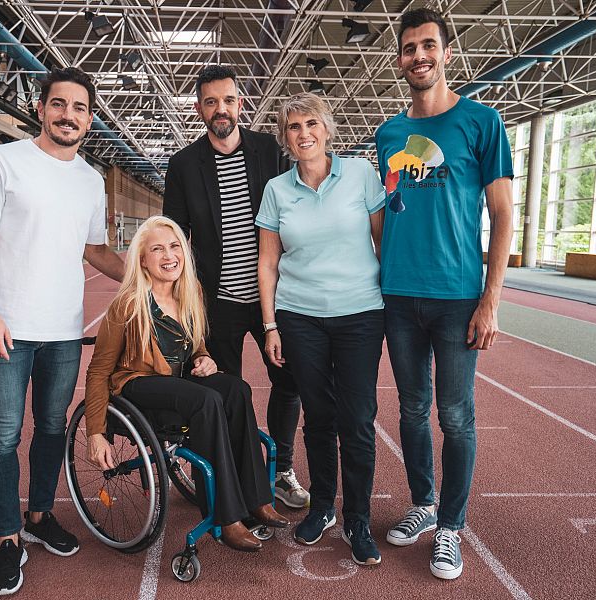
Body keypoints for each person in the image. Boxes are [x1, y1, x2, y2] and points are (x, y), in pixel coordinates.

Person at [0, 66, 125, 596]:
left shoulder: (92, 180)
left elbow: (94, 250)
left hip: (63, 331)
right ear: (41, 108)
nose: (68, 115)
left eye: (78, 108)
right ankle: (7, 539)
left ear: (90, 119)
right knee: (3, 436)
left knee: (52, 428)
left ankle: (38, 515)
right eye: (59, 104)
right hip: (7, 329)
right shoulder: (1, 161)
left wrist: (149, 269)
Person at [375, 8, 514, 581]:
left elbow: (504, 215)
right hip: (400, 297)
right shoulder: (387, 135)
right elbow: (385, 209)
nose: (419, 57)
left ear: (447, 52)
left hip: (458, 296)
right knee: (410, 408)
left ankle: (451, 525)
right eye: (409, 49)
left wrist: (491, 300)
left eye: (428, 45)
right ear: (400, 59)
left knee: (455, 416)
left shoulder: (482, 123)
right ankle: (423, 504)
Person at [83, 215, 290, 553]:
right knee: (205, 401)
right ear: (143, 261)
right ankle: (226, 516)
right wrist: (95, 432)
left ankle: (256, 499)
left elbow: (194, 347)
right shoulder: (128, 305)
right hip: (137, 387)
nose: (169, 256)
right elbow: (98, 371)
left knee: (237, 389)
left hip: (179, 385)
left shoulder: (188, 294)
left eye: (175, 246)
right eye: (158, 249)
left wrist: (205, 359)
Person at [163, 65, 309, 510]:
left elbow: (294, 209)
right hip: (217, 303)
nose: (220, 109)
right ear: (199, 109)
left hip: (273, 299)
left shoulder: (268, 150)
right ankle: (218, 474)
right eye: (210, 102)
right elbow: (174, 236)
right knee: (222, 391)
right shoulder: (184, 165)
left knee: (290, 384)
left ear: (240, 104)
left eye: (227, 100)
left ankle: (281, 469)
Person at [256, 93, 386, 566]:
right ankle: (324, 507)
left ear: (328, 129)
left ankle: (358, 518)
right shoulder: (276, 190)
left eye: (312, 123)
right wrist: (270, 324)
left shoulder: (361, 174)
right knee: (318, 416)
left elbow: (382, 241)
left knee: (356, 419)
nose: (304, 133)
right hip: (299, 317)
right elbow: (267, 261)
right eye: (293, 127)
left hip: (360, 315)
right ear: (284, 137)